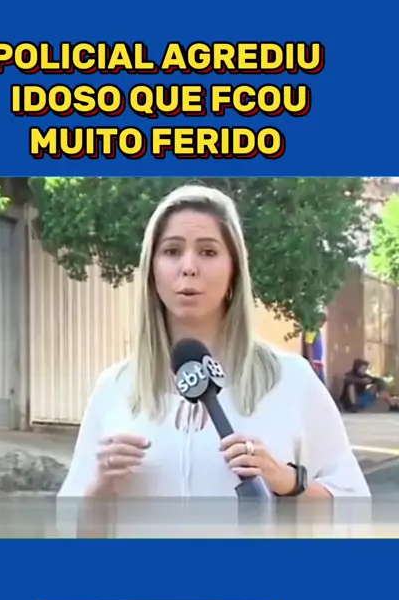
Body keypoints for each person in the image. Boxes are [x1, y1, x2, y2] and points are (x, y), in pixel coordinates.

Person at [58, 184, 370, 501]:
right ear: (152, 269)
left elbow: (353, 504)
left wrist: (288, 482)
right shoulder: (115, 388)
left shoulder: (290, 380)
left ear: (234, 269)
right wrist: (101, 487)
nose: (188, 267)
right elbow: (70, 523)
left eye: (208, 252)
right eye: (172, 251)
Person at [302, 315, 327, 384]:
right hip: (314, 363)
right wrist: (311, 363)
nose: (322, 325)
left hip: (318, 363)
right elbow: (309, 346)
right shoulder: (311, 331)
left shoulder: (317, 331)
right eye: (322, 322)